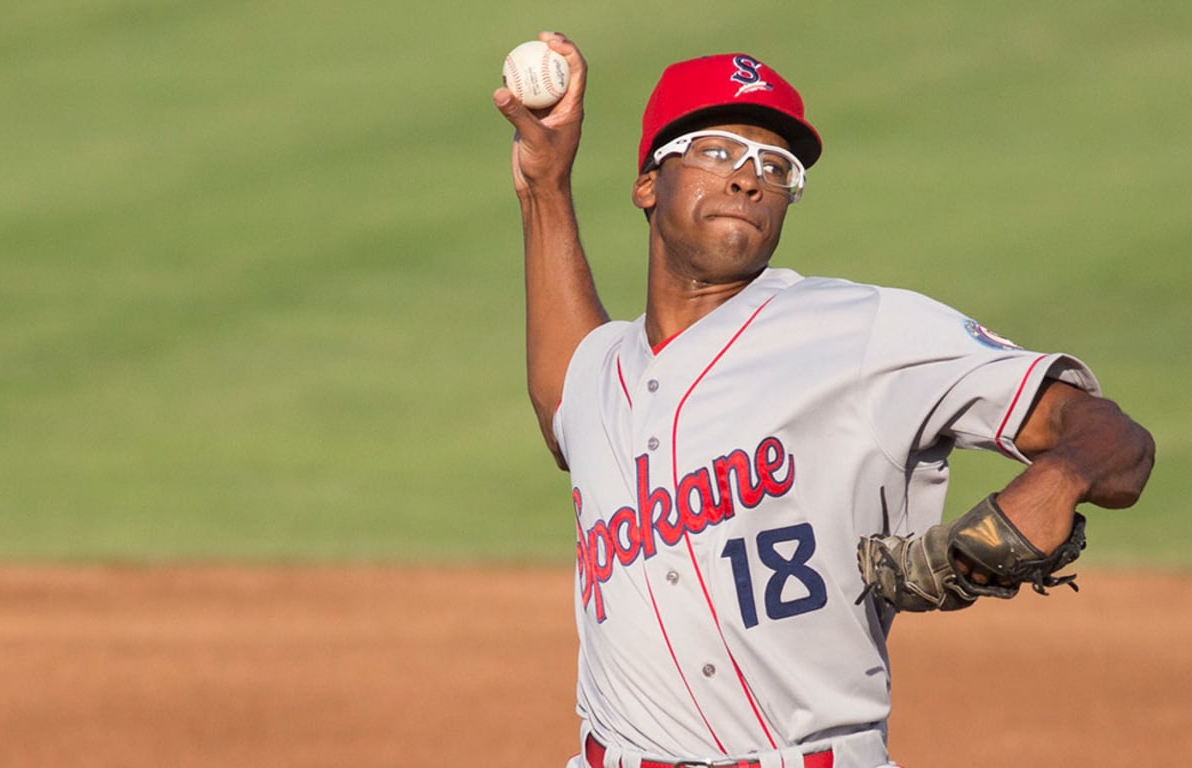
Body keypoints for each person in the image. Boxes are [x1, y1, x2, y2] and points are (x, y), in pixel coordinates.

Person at [493, 33, 1155, 768]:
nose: (748, 180)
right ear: (649, 181)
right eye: (718, 151)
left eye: (775, 168)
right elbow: (564, 405)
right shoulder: (600, 376)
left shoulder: (864, 330)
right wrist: (544, 184)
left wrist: (1057, 480)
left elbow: (1112, 439)